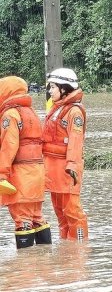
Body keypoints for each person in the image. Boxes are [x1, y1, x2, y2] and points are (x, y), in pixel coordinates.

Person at [0, 76, 50, 248]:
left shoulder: (10, 114)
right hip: (37, 174)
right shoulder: (31, 113)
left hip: (21, 175)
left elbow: (9, 146)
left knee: (22, 220)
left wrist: (1, 175)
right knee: (37, 217)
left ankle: (25, 268)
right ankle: (46, 260)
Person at [43, 68, 89, 241]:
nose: (50, 91)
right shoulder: (55, 109)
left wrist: (72, 166)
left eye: (53, 87)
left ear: (64, 88)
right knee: (60, 213)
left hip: (67, 169)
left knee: (72, 212)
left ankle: (79, 248)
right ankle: (66, 251)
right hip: (53, 169)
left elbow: (75, 142)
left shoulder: (74, 112)